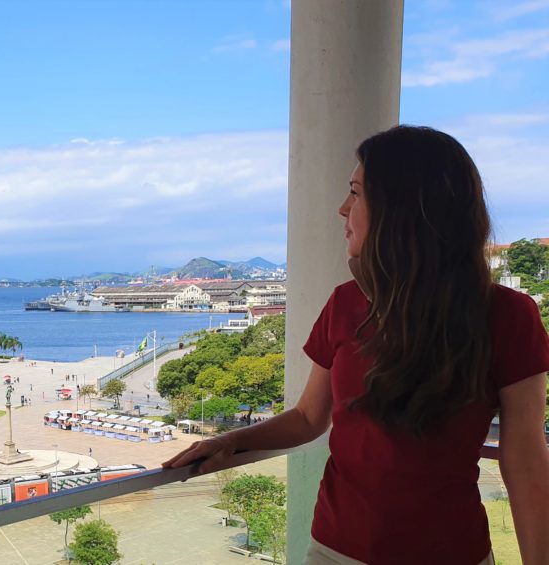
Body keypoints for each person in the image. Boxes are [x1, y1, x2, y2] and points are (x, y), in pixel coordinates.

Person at [163, 126, 549, 565]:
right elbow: (310, 417)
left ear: (403, 208)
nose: (342, 208)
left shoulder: (507, 315)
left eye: (356, 193)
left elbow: (525, 460)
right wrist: (233, 439)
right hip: (335, 549)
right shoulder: (345, 303)